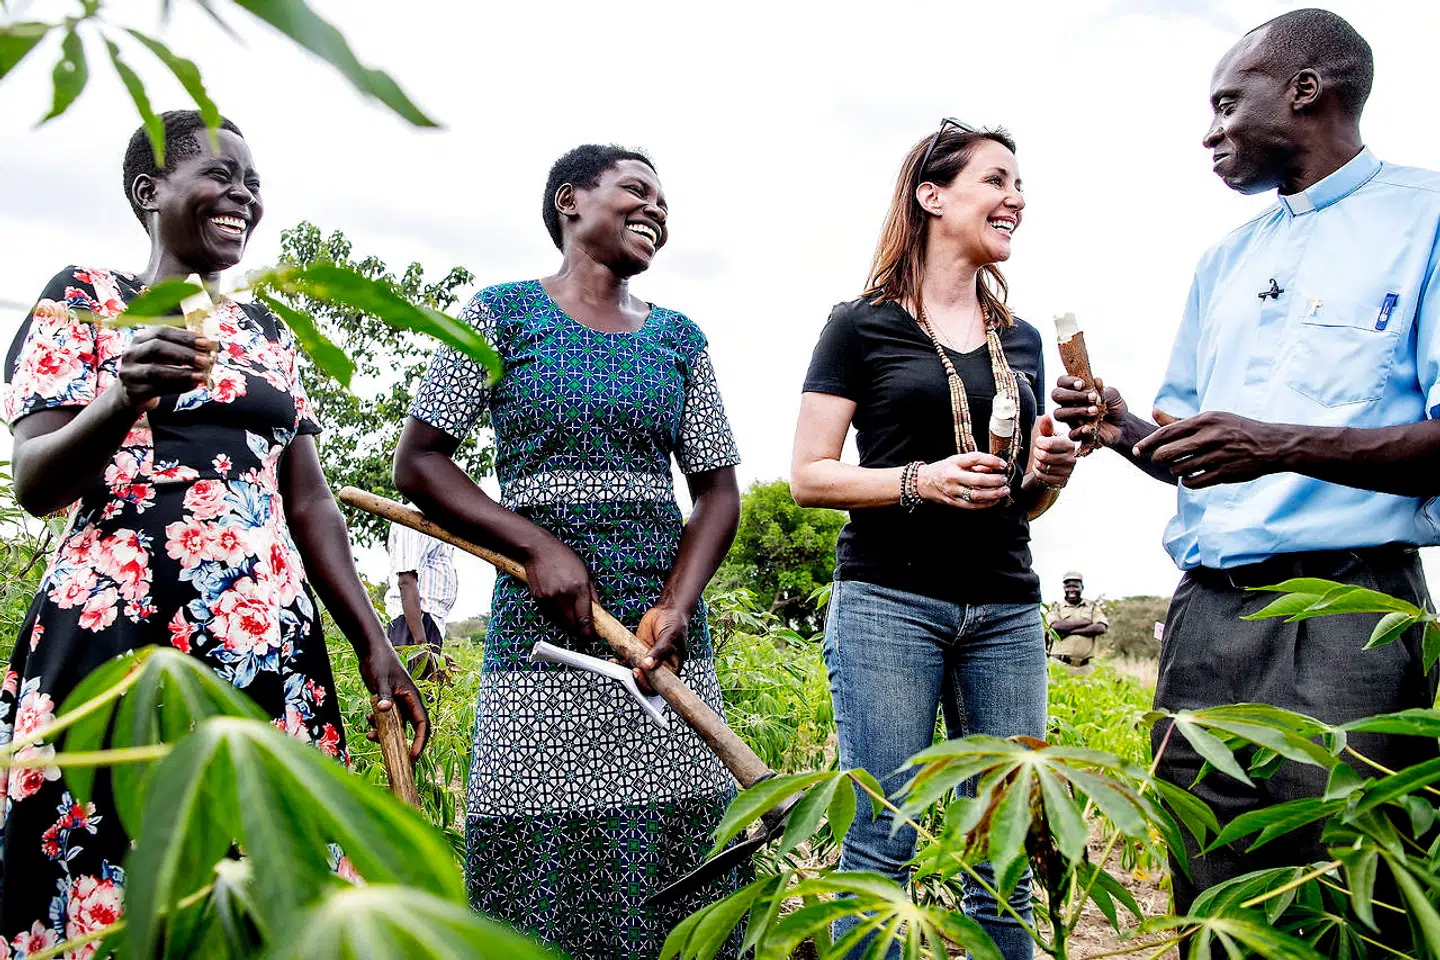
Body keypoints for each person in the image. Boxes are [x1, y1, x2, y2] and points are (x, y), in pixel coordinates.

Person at [0, 110, 429, 946]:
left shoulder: (269, 334)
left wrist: (375, 643)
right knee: (112, 859)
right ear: (147, 192)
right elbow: (35, 483)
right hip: (119, 645)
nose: (242, 194)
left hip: (266, 649)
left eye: (254, 183)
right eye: (221, 175)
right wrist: (121, 396)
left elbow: (311, 505)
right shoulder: (85, 300)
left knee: (263, 877)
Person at [1052, 8, 1440, 914]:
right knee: (1208, 879)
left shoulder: (1428, 217)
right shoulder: (1224, 260)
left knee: (1348, 886)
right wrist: (1118, 428)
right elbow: (1198, 454)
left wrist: (1274, 442)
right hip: (1207, 618)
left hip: (1350, 614)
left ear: (1306, 90)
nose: (1210, 130)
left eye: (1228, 102)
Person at [392, 144, 745, 958]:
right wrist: (534, 544)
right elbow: (419, 461)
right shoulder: (499, 313)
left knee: (680, 851)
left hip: (658, 649)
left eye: (664, 200)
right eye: (635, 190)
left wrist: (678, 605)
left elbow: (717, 490)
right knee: (535, 858)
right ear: (569, 202)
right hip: (537, 640)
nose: (656, 208)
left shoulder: (679, 339)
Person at [791, 121, 1079, 960]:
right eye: (997, 181)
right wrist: (920, 479)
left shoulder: (1020, 340)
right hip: (889, 605)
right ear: (932, 197)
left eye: (1019, 184)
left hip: (1005, 608)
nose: (1016, 199)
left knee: (1007, 846)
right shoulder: (859, 326)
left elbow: (1016, 502)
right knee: (884, 839)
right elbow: (810, 474)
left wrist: (1051, 471)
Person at [383, 520, 457, 675]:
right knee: (410, 692)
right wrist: (420, 644)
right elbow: (406, 580)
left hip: (426, 623)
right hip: (413, 623)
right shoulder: (413, 519)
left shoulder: (437, 521)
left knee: (425, 693)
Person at [1044, 571, 1108, 673]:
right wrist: (1085, 623)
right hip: (1059, 664)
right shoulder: (1056, 607)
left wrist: (1068, 632)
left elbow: (1100, 628)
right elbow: (1055, 626)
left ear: (1082, 587)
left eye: (1075, 586)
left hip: (1085, 667)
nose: (1071, 590)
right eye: (1068, 586)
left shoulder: (1092, 607)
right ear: (1064, 588)